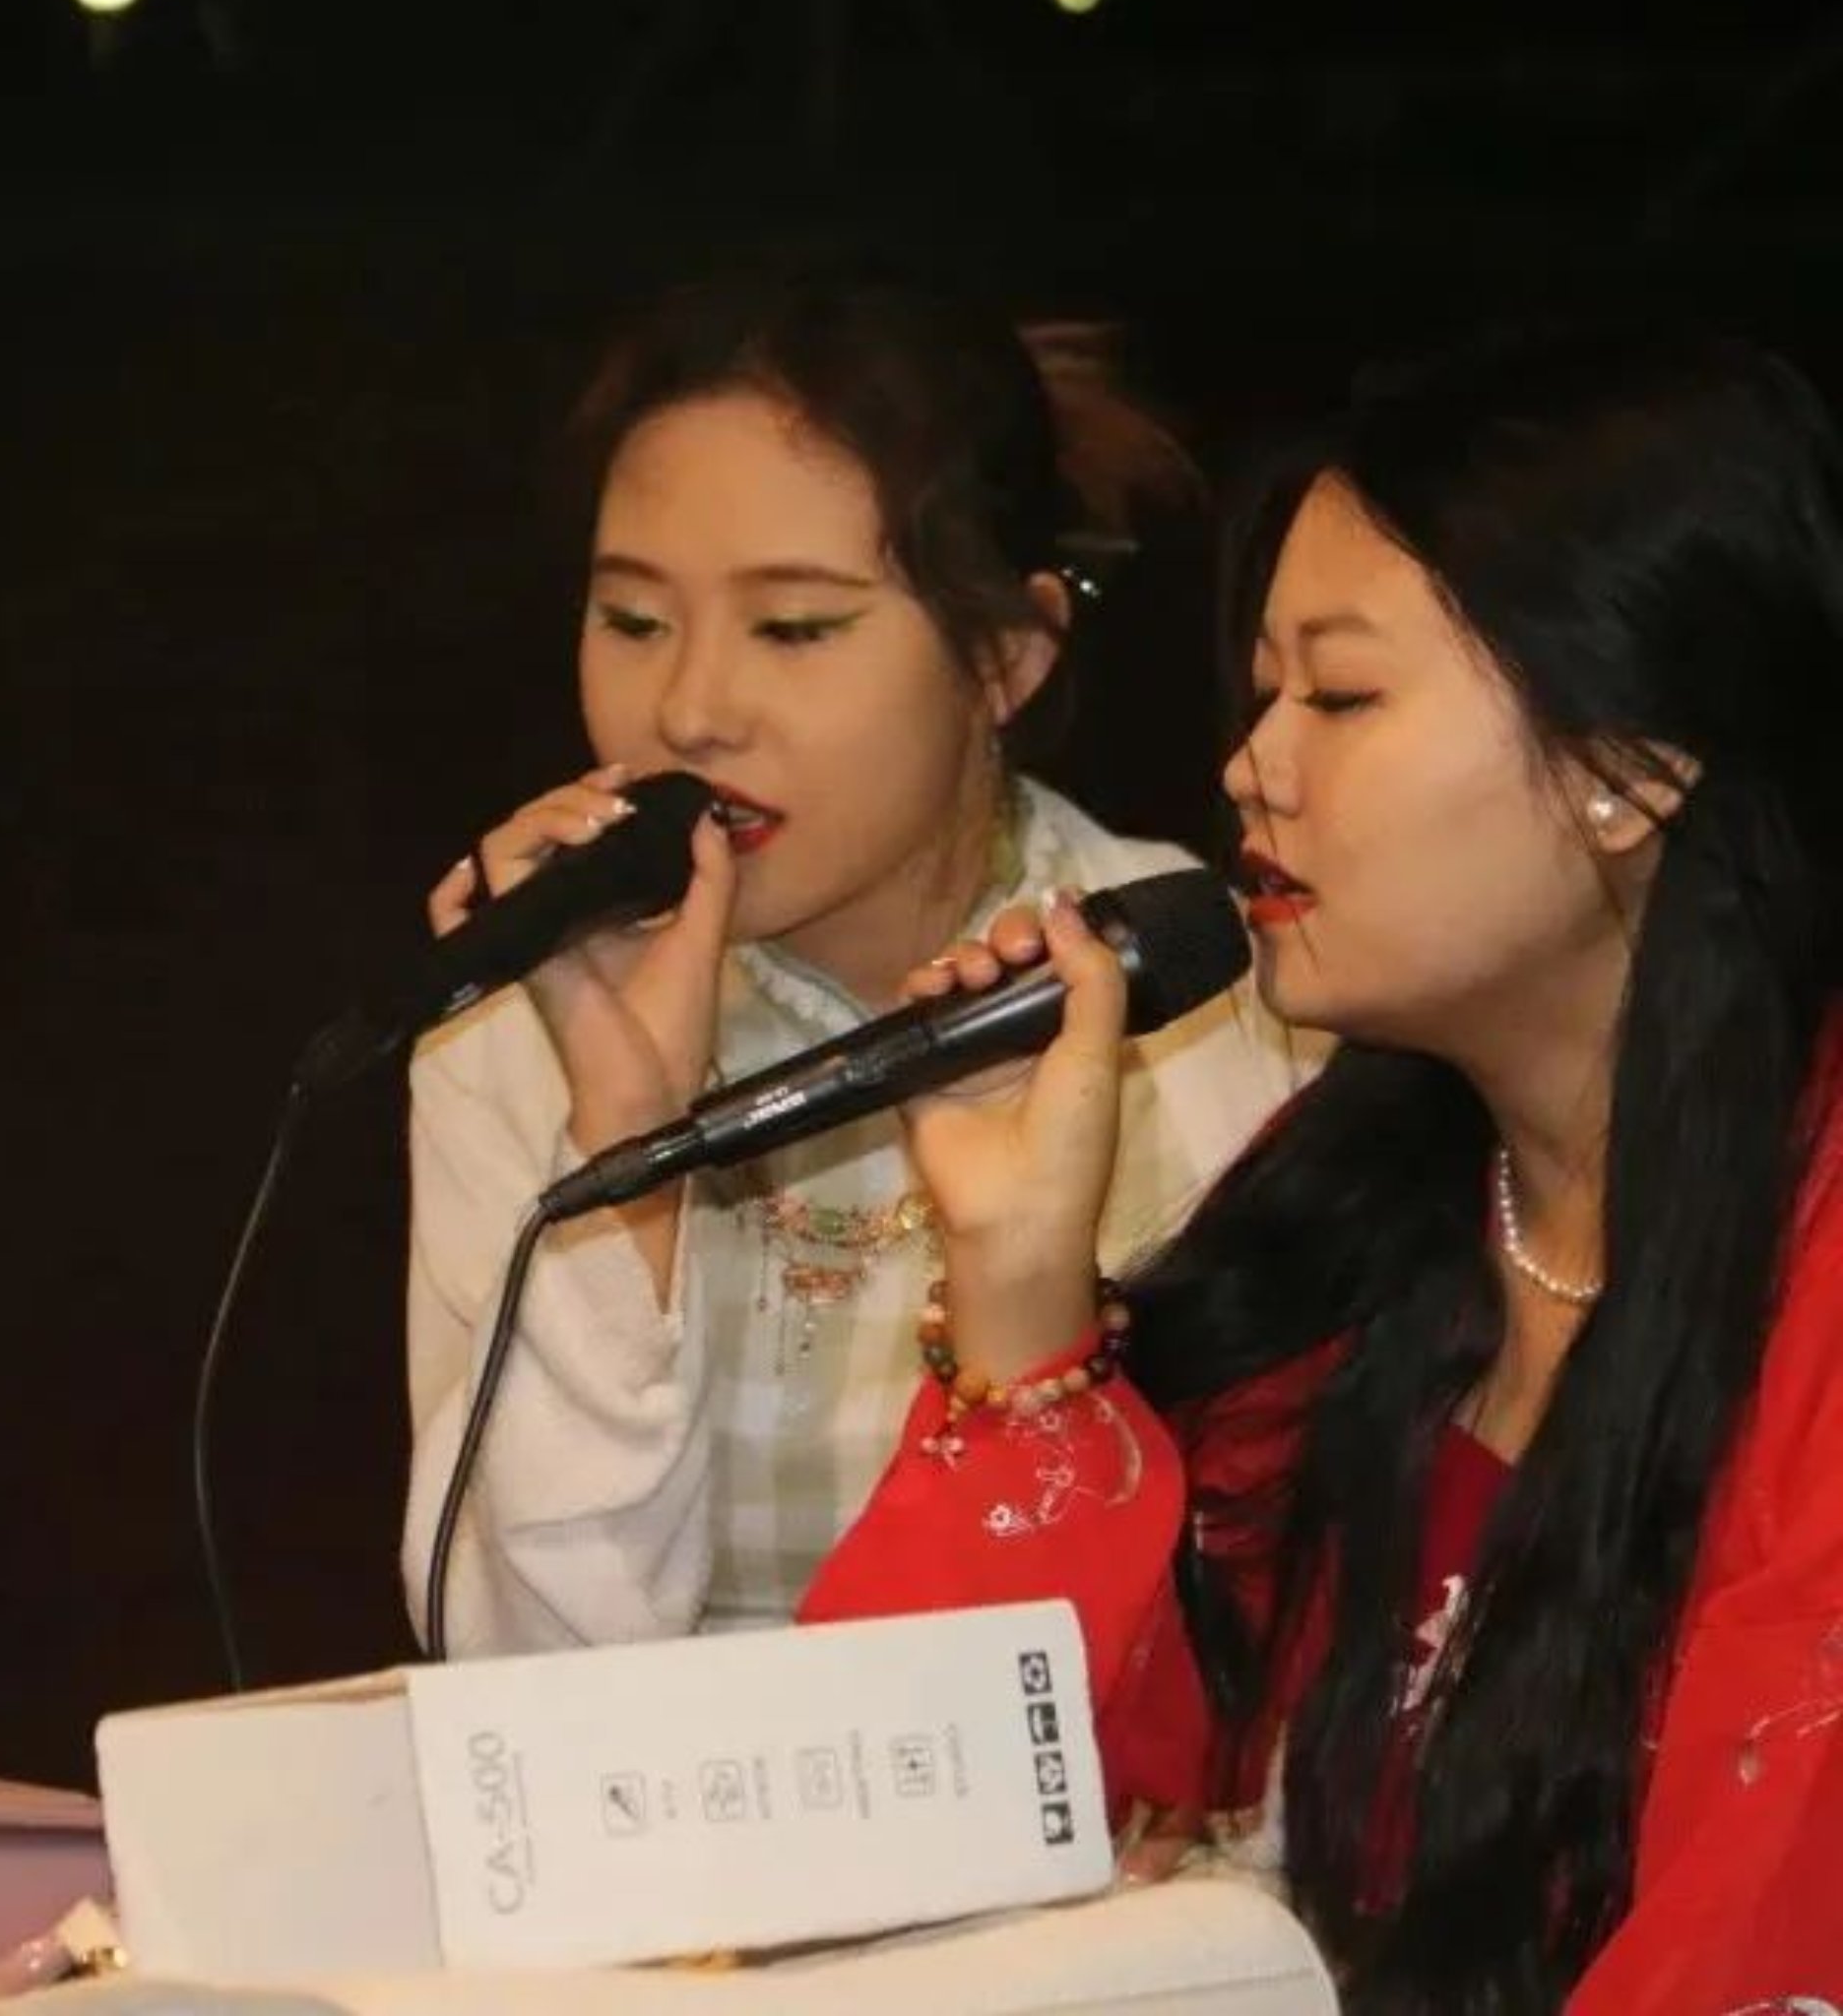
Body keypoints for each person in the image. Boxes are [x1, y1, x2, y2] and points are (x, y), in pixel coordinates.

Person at [802, 324, 1843, 2009]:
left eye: (1340, 696)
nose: (1250, 765)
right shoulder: (1361, 1215)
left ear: (1628, 769)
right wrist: (1015, 1288)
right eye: (1263, 691)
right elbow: (914, 1818)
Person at [403, 261, 1316, 1658]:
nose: (690, 709)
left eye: (794, 628)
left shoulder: (1211, 990)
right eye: (633, 620)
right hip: (668, 1800)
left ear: (1006, 657)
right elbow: (518, 1681)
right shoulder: (522, 1021)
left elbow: (1278, 1631)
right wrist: (620, 1147)